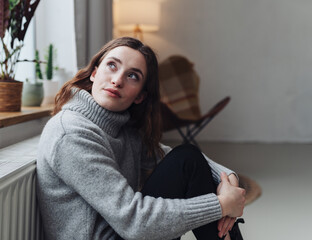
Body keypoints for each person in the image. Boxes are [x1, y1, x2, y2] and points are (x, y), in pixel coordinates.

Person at [36, 37, 246, 240]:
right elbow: (134, 221)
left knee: (187, 158)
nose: (117, 80)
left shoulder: (123, 130)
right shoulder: (72, 133)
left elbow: (175, 158)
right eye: (112, 65)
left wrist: (229, 179)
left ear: (140, 96)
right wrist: (220, 206)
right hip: (127, 231)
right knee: (188, 161)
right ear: (94, 72)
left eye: (132, 76)